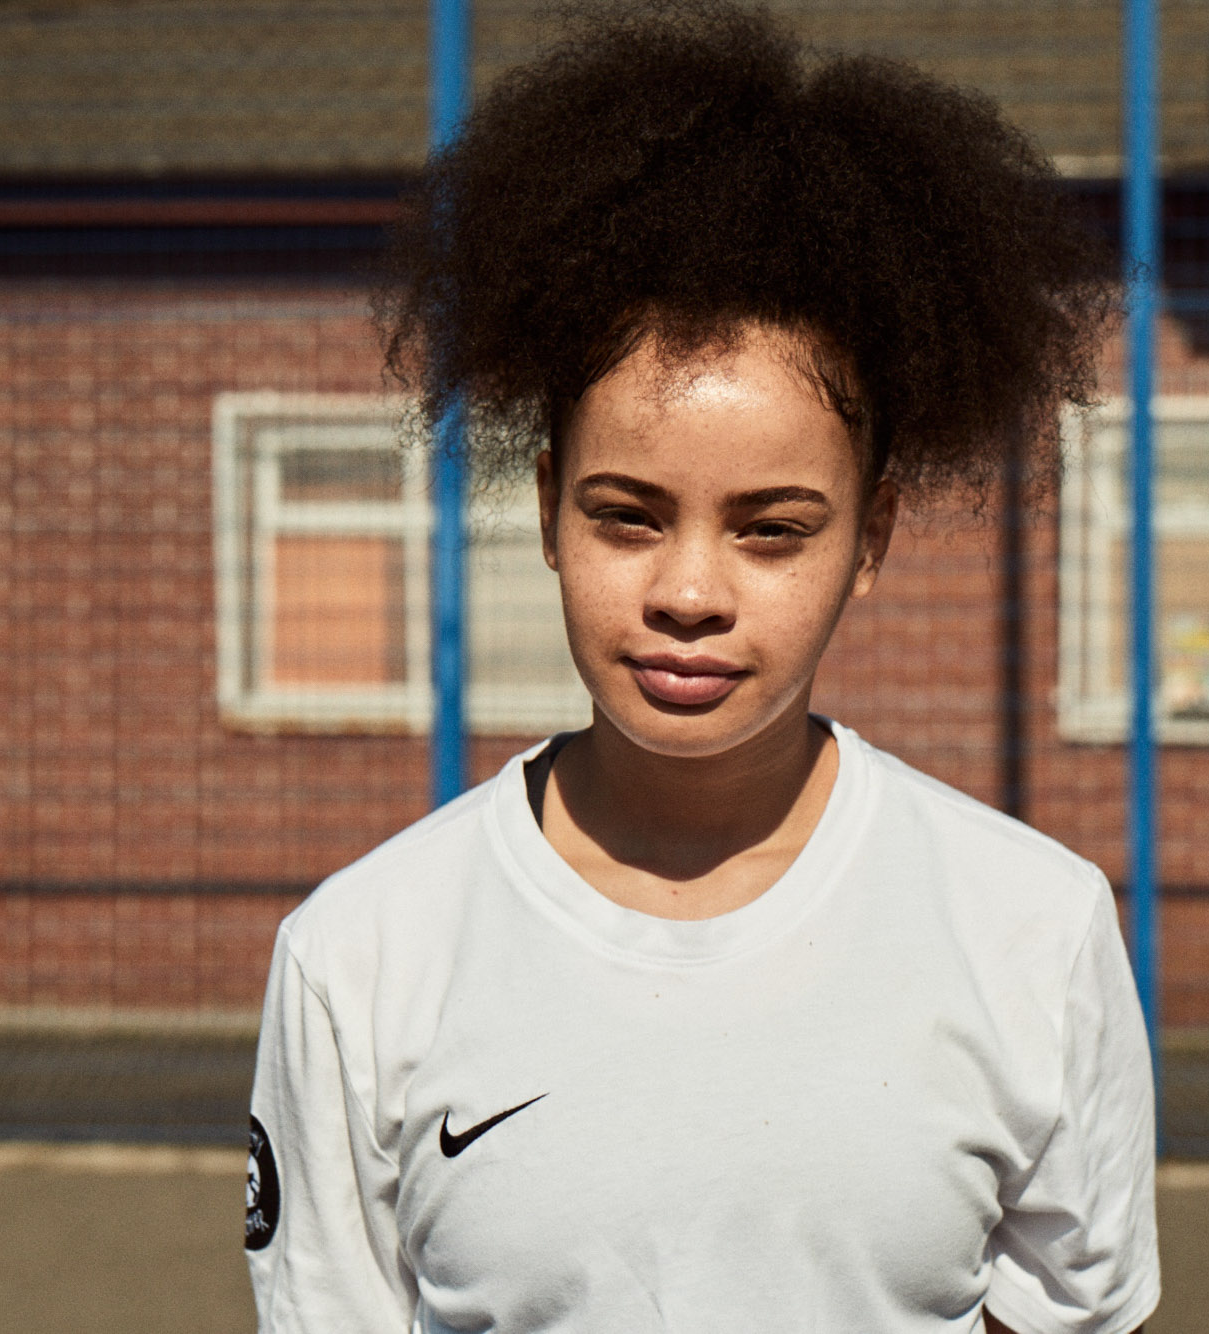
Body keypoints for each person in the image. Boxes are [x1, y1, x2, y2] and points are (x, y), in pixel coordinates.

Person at [245, 4, 1157, 1331]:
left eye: (772, 529)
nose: (688, 593)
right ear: (547, 507)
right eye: (627, 515)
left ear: (872, 536)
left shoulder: (1033, 928)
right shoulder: (361, 957)